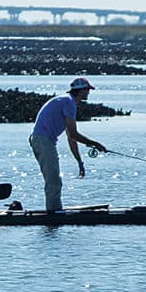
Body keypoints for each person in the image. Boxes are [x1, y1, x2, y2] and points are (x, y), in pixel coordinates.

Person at [28, 77, 108, 212]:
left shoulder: (67, 102)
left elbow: (71, 138)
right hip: (43, 140)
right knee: (53, 180)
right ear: (80, 90)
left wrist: (79, 162)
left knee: (53, 179)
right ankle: (53, 215)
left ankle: (54, 211)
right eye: (87, 89)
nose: (88, 92)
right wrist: (95, 143)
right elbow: (73, 134)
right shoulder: (69, 102)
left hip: (41, 140)